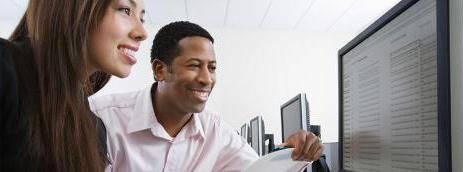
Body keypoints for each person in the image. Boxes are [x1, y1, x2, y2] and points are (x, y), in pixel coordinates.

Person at [89, 21, 324, 171]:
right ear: (160, 70)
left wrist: (296, 154)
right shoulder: (102, 119)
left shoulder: (215, 131)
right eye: (194, 66)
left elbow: (257, 169)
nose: (207, 78)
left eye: (211, 67)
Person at [0, 0, 147, 171]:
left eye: (142, 18)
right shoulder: (5, 69)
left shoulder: (95, 131)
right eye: (126, 10)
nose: (142, 33)